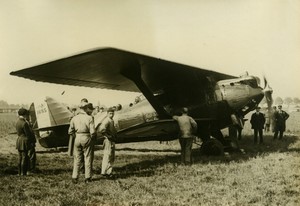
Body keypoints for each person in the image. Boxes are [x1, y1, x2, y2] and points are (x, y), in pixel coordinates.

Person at [68, 101, 96, 183]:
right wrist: (92, 138)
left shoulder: (74, 118)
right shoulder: (89, 118)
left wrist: (75, 136)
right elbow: (93, 132)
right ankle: (87, 177)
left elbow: (70, 131)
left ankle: (75, 177)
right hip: (86, 136)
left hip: (77, 137)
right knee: (87, 157)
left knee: (77, 158)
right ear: (86, 108)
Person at [15, 108, 36, 176]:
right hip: (24, 141)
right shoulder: (24, 123)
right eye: (26, 114)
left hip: (19, 140)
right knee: (24, 157)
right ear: (24, 115)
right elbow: (28, 134)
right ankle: (23, 173)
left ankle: (19, 172)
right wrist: (32, 141)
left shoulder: (17, 122)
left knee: (20, 157)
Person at [99, 107, 117, 178]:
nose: (111, 115)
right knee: (107, 156)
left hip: (112, 140)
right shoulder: (106, 120)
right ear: (107, 114)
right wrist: (107, 136)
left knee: (111, 157)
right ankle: (105, 172)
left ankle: (108, 172)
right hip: (108, 141)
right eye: (110, 113)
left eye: (112, 113)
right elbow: (102, 129)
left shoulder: (111, 120)